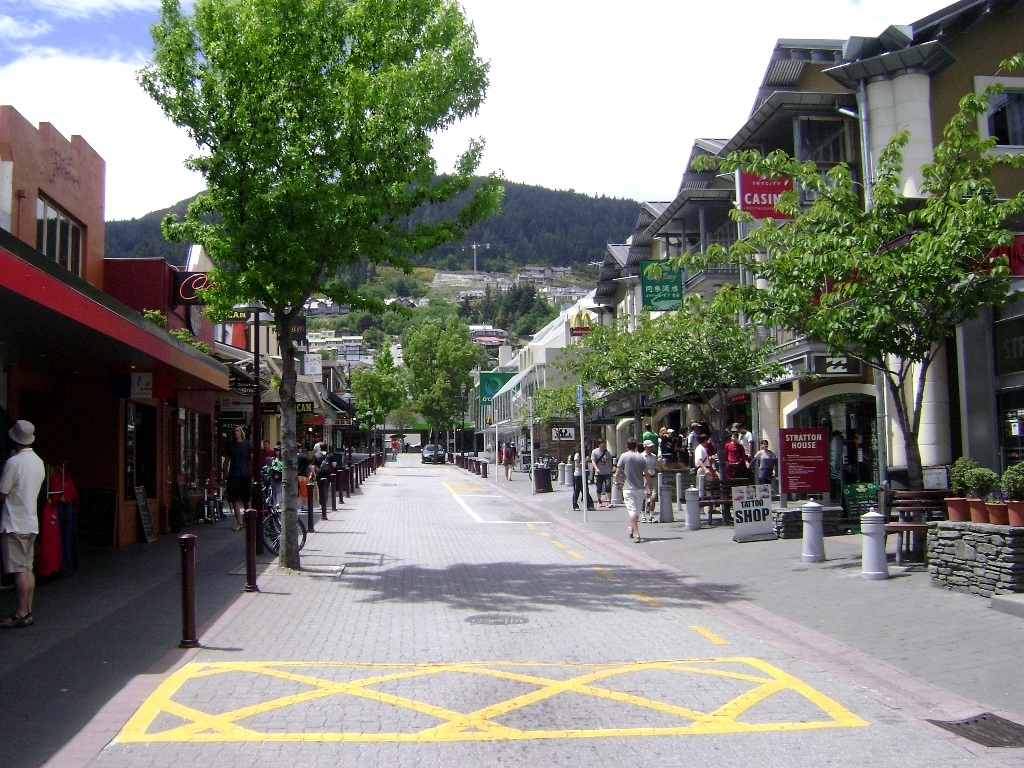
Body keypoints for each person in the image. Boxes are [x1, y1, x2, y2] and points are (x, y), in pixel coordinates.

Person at [0, 421, 46, 628]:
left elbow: (3, 492)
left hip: (14, 522)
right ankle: (27, 610)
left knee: (19, 570)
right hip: (30, 521)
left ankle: (20, 612)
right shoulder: (38, 462)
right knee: (27, 568)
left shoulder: (13, 463)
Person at [615, 438, 649, 543]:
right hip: (640, 488)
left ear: (627, 446)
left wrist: (617, 483)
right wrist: (650, 487)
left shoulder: (624, 456)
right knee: (636, 512)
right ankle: (632, 529)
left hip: (628, 488)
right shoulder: (641, 457)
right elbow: (647, 474)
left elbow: (617, 472)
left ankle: (637, 534)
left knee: (632, 512)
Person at [222, 425, 252, 531]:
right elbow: (226, 462)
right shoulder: (230, 446)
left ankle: (246, 519)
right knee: (235, 499)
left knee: (246, 499)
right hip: (234, 474)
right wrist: (224, 477)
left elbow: (251, 459)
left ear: (241, 432)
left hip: (245, 474)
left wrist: (252, 473)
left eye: (238, 431)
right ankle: (239, 522)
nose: (236, 433)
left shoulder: (247, 445)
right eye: (234, 431)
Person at [590, 439, 614, 507]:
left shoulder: (607, 452)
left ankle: (608, 501)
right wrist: (596, 469)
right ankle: (599, 500)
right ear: (599, 444)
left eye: (604, 443)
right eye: (602, 443)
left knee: (608, 486)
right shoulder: (595, 452)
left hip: (607, 472)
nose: (604, 445)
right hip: (599, 473)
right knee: (599, 487)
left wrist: (611, 470)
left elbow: (609, 461)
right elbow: (593, 461)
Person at [571, 448, 595, 512]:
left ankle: (589, 505)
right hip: (578, 475)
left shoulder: (584, 456)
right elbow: (577, 465)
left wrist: (588, 460)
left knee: (585, 490)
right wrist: (584, 461)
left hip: (584, 475)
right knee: (577, 491)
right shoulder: (577, 455)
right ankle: (575, 505)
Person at [641, 439, 659, 522]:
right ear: (645, 447)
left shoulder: (654, 456)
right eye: (649, 446)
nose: (651, 448)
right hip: (644, 477)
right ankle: (643, 515)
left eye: (651, 446)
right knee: (643, 497)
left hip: (653, 477)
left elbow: (656, 467)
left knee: (653, 497)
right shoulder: (641, 456)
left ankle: (651, 516)